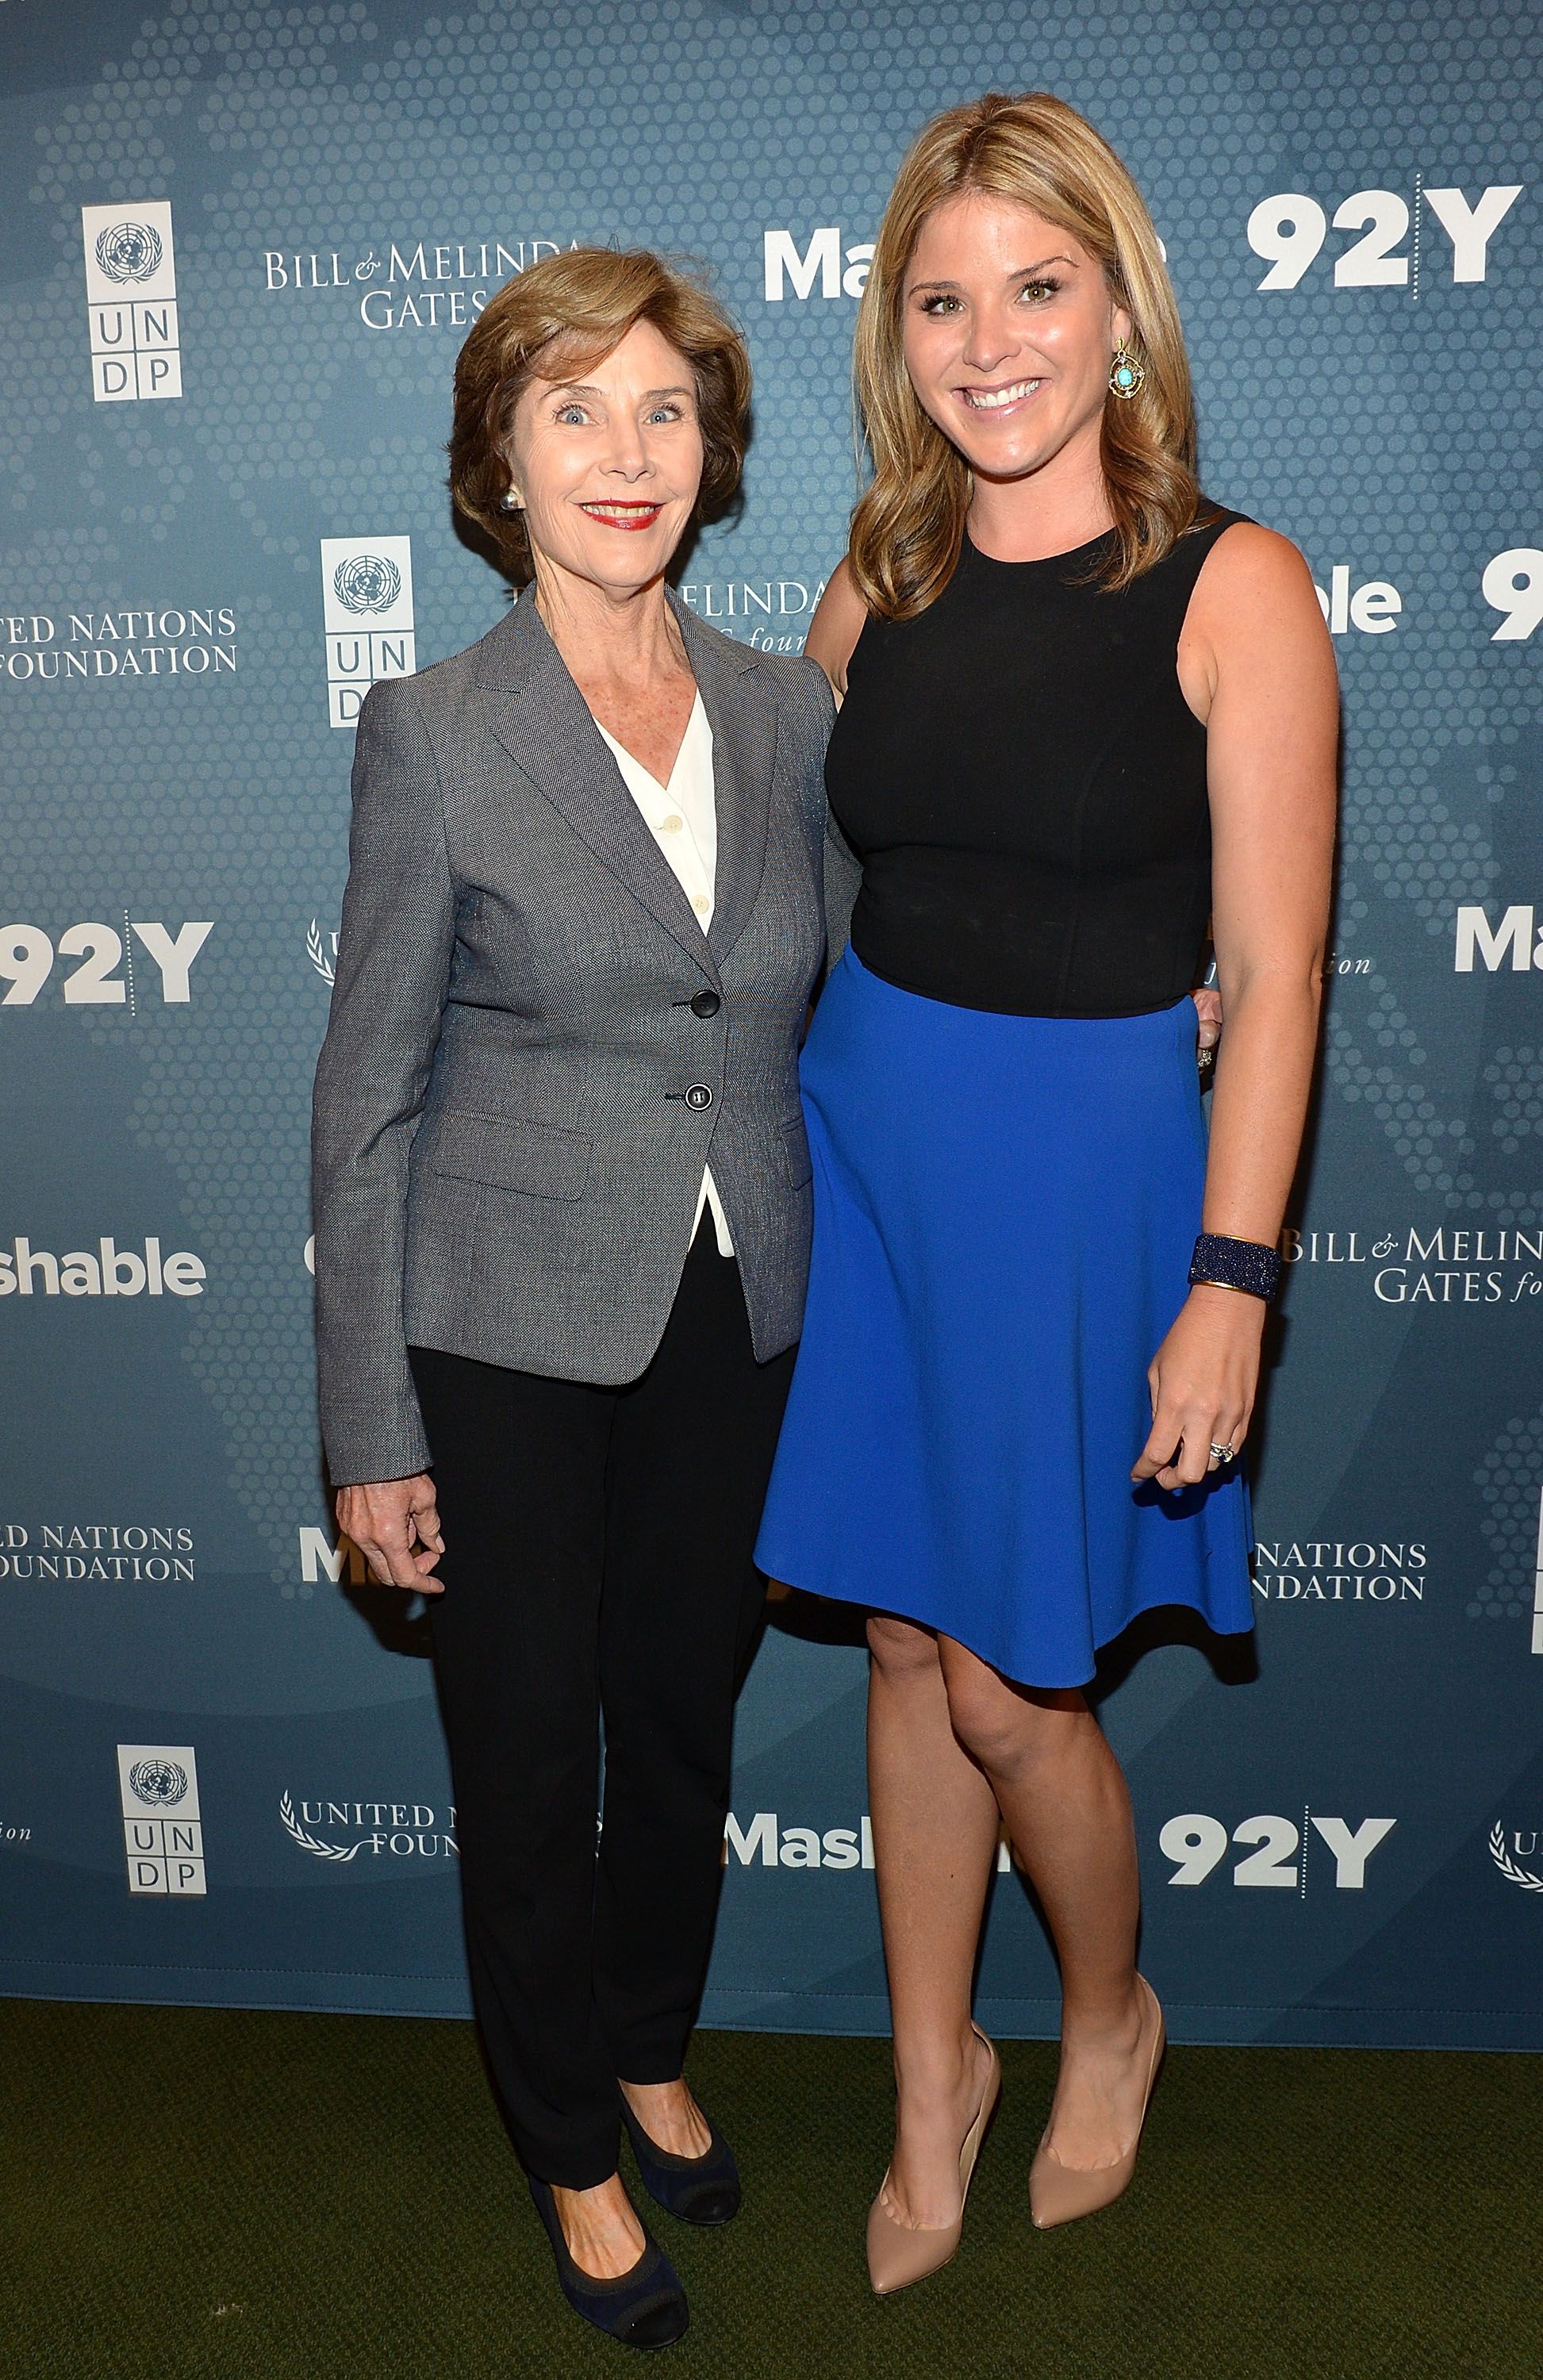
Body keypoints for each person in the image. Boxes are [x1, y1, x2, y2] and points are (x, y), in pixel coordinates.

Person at [755, 90, 1338, 2290]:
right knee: (902, 1641)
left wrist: (1232, 1279)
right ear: (892, 329)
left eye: (1032, 287)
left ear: (1116, 313)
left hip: (1089, 1178)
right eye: (936, 298)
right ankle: (935, 2082)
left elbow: (1276, 969)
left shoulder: (1233, 583)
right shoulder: (877, 574)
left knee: (1014, 1681)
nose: (982, 340)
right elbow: (813, 847)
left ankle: (1106, 2016)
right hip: (873, 1142)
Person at [310, 248, 839, 2350]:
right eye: (573, 415)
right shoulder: (431, 732)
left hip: (738, 1311)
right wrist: (370, 1427)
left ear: (709, 456)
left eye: (664, 413)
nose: (625, 456)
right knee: (527, 1762)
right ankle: (569, 2145)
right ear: (498, 467)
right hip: (505, 1330)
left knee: (682, 1735)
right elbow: (364, 1098)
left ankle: (642, 2041)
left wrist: (1113, 998)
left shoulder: (793, 710)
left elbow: (878, 989)